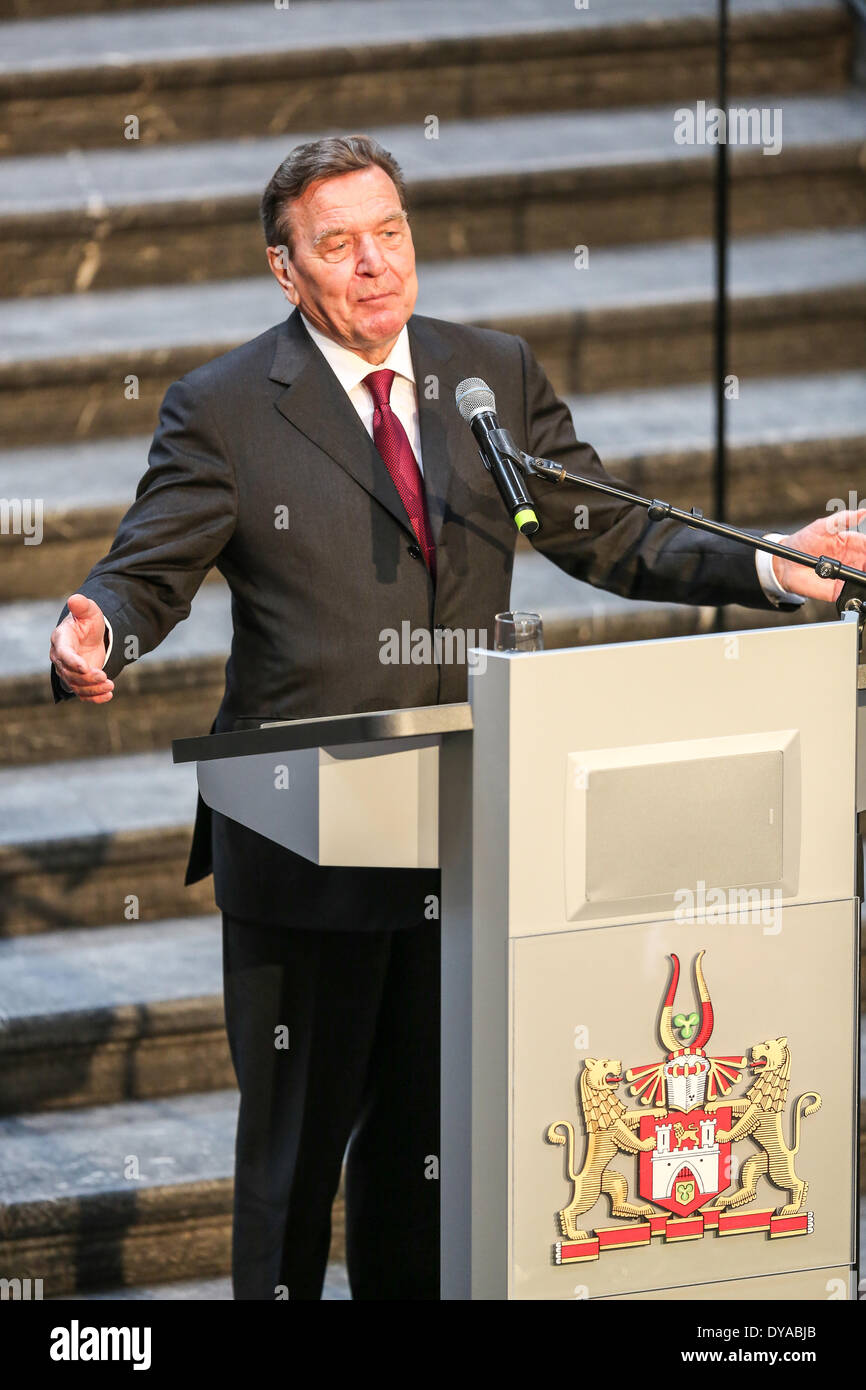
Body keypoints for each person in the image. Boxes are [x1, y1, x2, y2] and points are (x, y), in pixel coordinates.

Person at [48, 134, 866, 1301]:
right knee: (292, 1164)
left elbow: (609, 532)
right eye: (337, 244)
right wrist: (100, 630)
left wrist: (776, 572)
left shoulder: (488, 377)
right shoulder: (226, 408)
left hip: (470, 843)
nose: (374, 263)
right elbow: (146, 573)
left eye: (391, 233)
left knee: (422, 1164)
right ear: (287, 272)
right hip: (306, 842)